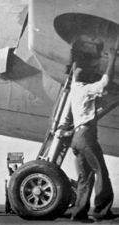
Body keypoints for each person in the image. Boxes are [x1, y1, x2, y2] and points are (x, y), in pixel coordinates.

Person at [69, 36, 119, 221]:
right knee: (100, 171)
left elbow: (76, 67)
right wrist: (112, 57)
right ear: (87, 78)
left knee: (84, 177)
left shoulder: (75, 87)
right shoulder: (85, 89)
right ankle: (101, 211)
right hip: (86, 136)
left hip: (76, 137)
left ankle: (79, 213)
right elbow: (105, 82)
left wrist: (79, 49)